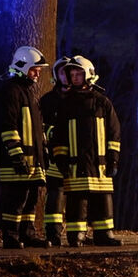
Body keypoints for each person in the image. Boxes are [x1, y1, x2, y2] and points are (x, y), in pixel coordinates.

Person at [50, 55, 122, 247]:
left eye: (78, 74)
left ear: (89, 75)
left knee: (103, 200)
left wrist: (113, 159)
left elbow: (114, 133)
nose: (74, 78)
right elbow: (59, 137)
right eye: (71, 74)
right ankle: (76, 235)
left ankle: (104, 234)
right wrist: (61, 159)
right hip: (75, 164)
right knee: (76, 200)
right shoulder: (66, 104)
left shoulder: (102, 102)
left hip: (100, 164)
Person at [0, 46, 49, 249]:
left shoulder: (28, 93)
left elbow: (36, 129)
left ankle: (27, 234)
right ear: (23, 67)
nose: (37, 74)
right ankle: (10, 236)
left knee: (30, 199)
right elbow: (7, 126)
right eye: (34, 69)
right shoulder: (10, 92)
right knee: (14, 199)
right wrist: (16, 154)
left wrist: (43, 150)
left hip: (33, 160)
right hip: (15, 160)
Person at [39, 56, 72, 246]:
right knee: (56, 193)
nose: (67, 76)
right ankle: (53, 233)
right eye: (62, 72)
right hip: (54, 156)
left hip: (77, 156)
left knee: (78, 195)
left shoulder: (80, 99)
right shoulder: (48, 100)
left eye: (70, 72)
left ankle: (79, 232)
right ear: (56, 76)